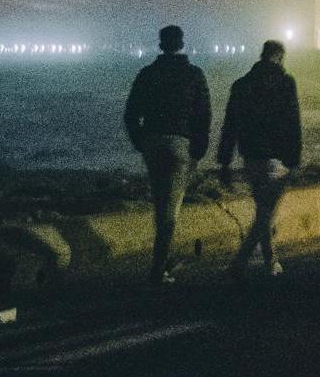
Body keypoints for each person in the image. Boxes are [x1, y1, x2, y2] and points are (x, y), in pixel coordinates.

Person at [123, 24, 211, 285]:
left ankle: (162, 261)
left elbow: (130, 114)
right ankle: (159, 268)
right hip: (179, 144)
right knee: (170, 209)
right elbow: (203, 115)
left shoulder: (147, 74)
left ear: (161, 45)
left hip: (152, 143)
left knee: (160, 202)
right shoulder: (194, 75)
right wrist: (199, 147)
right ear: (182, 44)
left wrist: (140, 141)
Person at [217, 39, 302, 281]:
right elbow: (293, 122)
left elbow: (230, 125)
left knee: (263, 210)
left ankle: (270, 262)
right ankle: (240, 262)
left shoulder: (242, 85)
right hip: (276, 159)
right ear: (279, 56)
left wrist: (224, 160)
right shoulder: (286, 83)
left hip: (250, 157)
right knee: (266, 215)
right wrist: (294, 158)